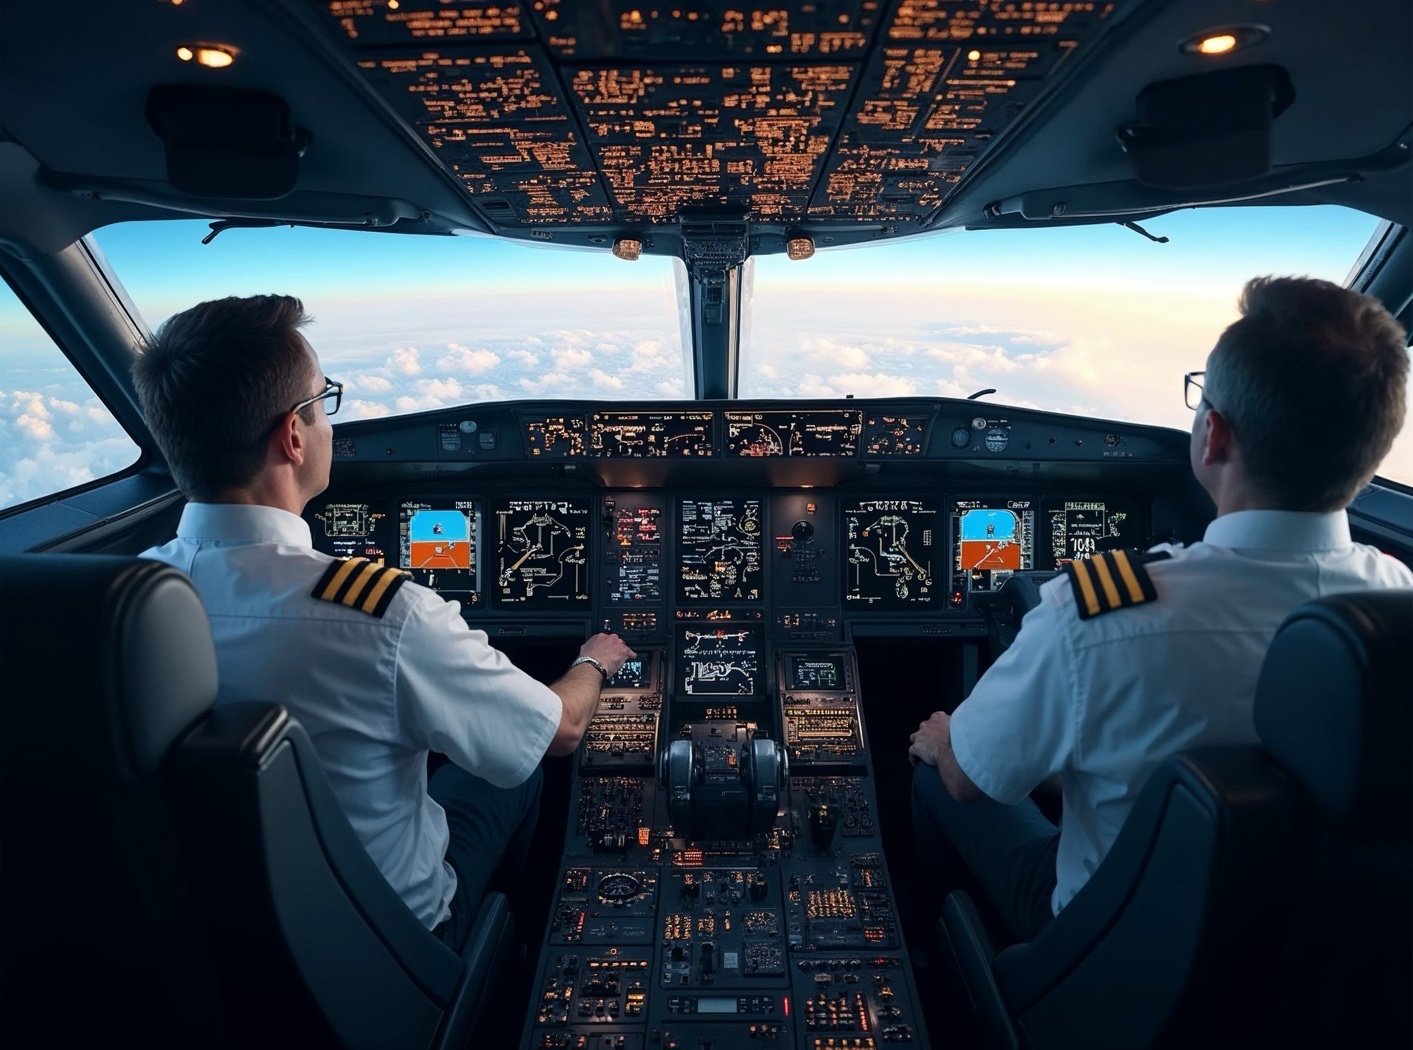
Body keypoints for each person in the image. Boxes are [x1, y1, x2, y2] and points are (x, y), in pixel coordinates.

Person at [909, 275, 1412, 943]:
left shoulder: (1095, 617)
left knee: (933, 770)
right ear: (1371, 449)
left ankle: (927, 966)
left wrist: (946, 738)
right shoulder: (1396, 613)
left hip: (1114, 948)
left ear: (1213, 437)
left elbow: (974, 782)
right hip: (1327, 954)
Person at [133, 294, 635, 950]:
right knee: (515, 767)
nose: (330, 425)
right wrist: (593, 659)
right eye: (324, 402)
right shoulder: (378, 614)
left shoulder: (124, 599)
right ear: (291, 435)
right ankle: (498, 955)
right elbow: (558, 729)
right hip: (389, 941)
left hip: (200, 937)